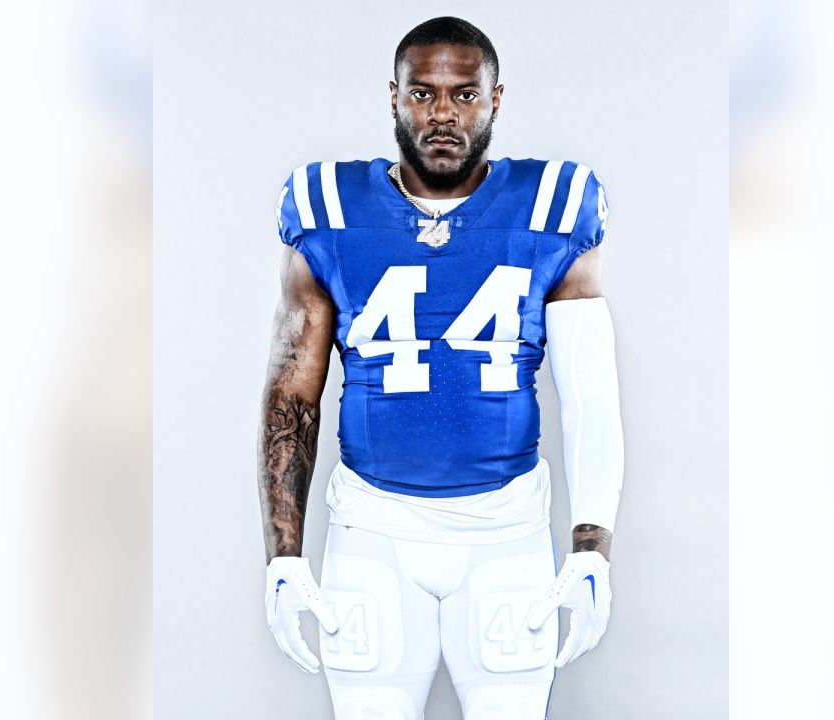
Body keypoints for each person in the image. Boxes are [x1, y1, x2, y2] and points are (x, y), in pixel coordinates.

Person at [257, 16, 624, 720]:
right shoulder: (327, 207)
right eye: (423, 94)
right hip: (372, 529)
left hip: (506, 532)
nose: (443, 114)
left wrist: (591, 546)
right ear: (392, 97)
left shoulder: (553, 205)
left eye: (464, 94)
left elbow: (591, 394)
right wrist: (283, 551)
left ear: (495, 99)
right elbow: (293, 396)